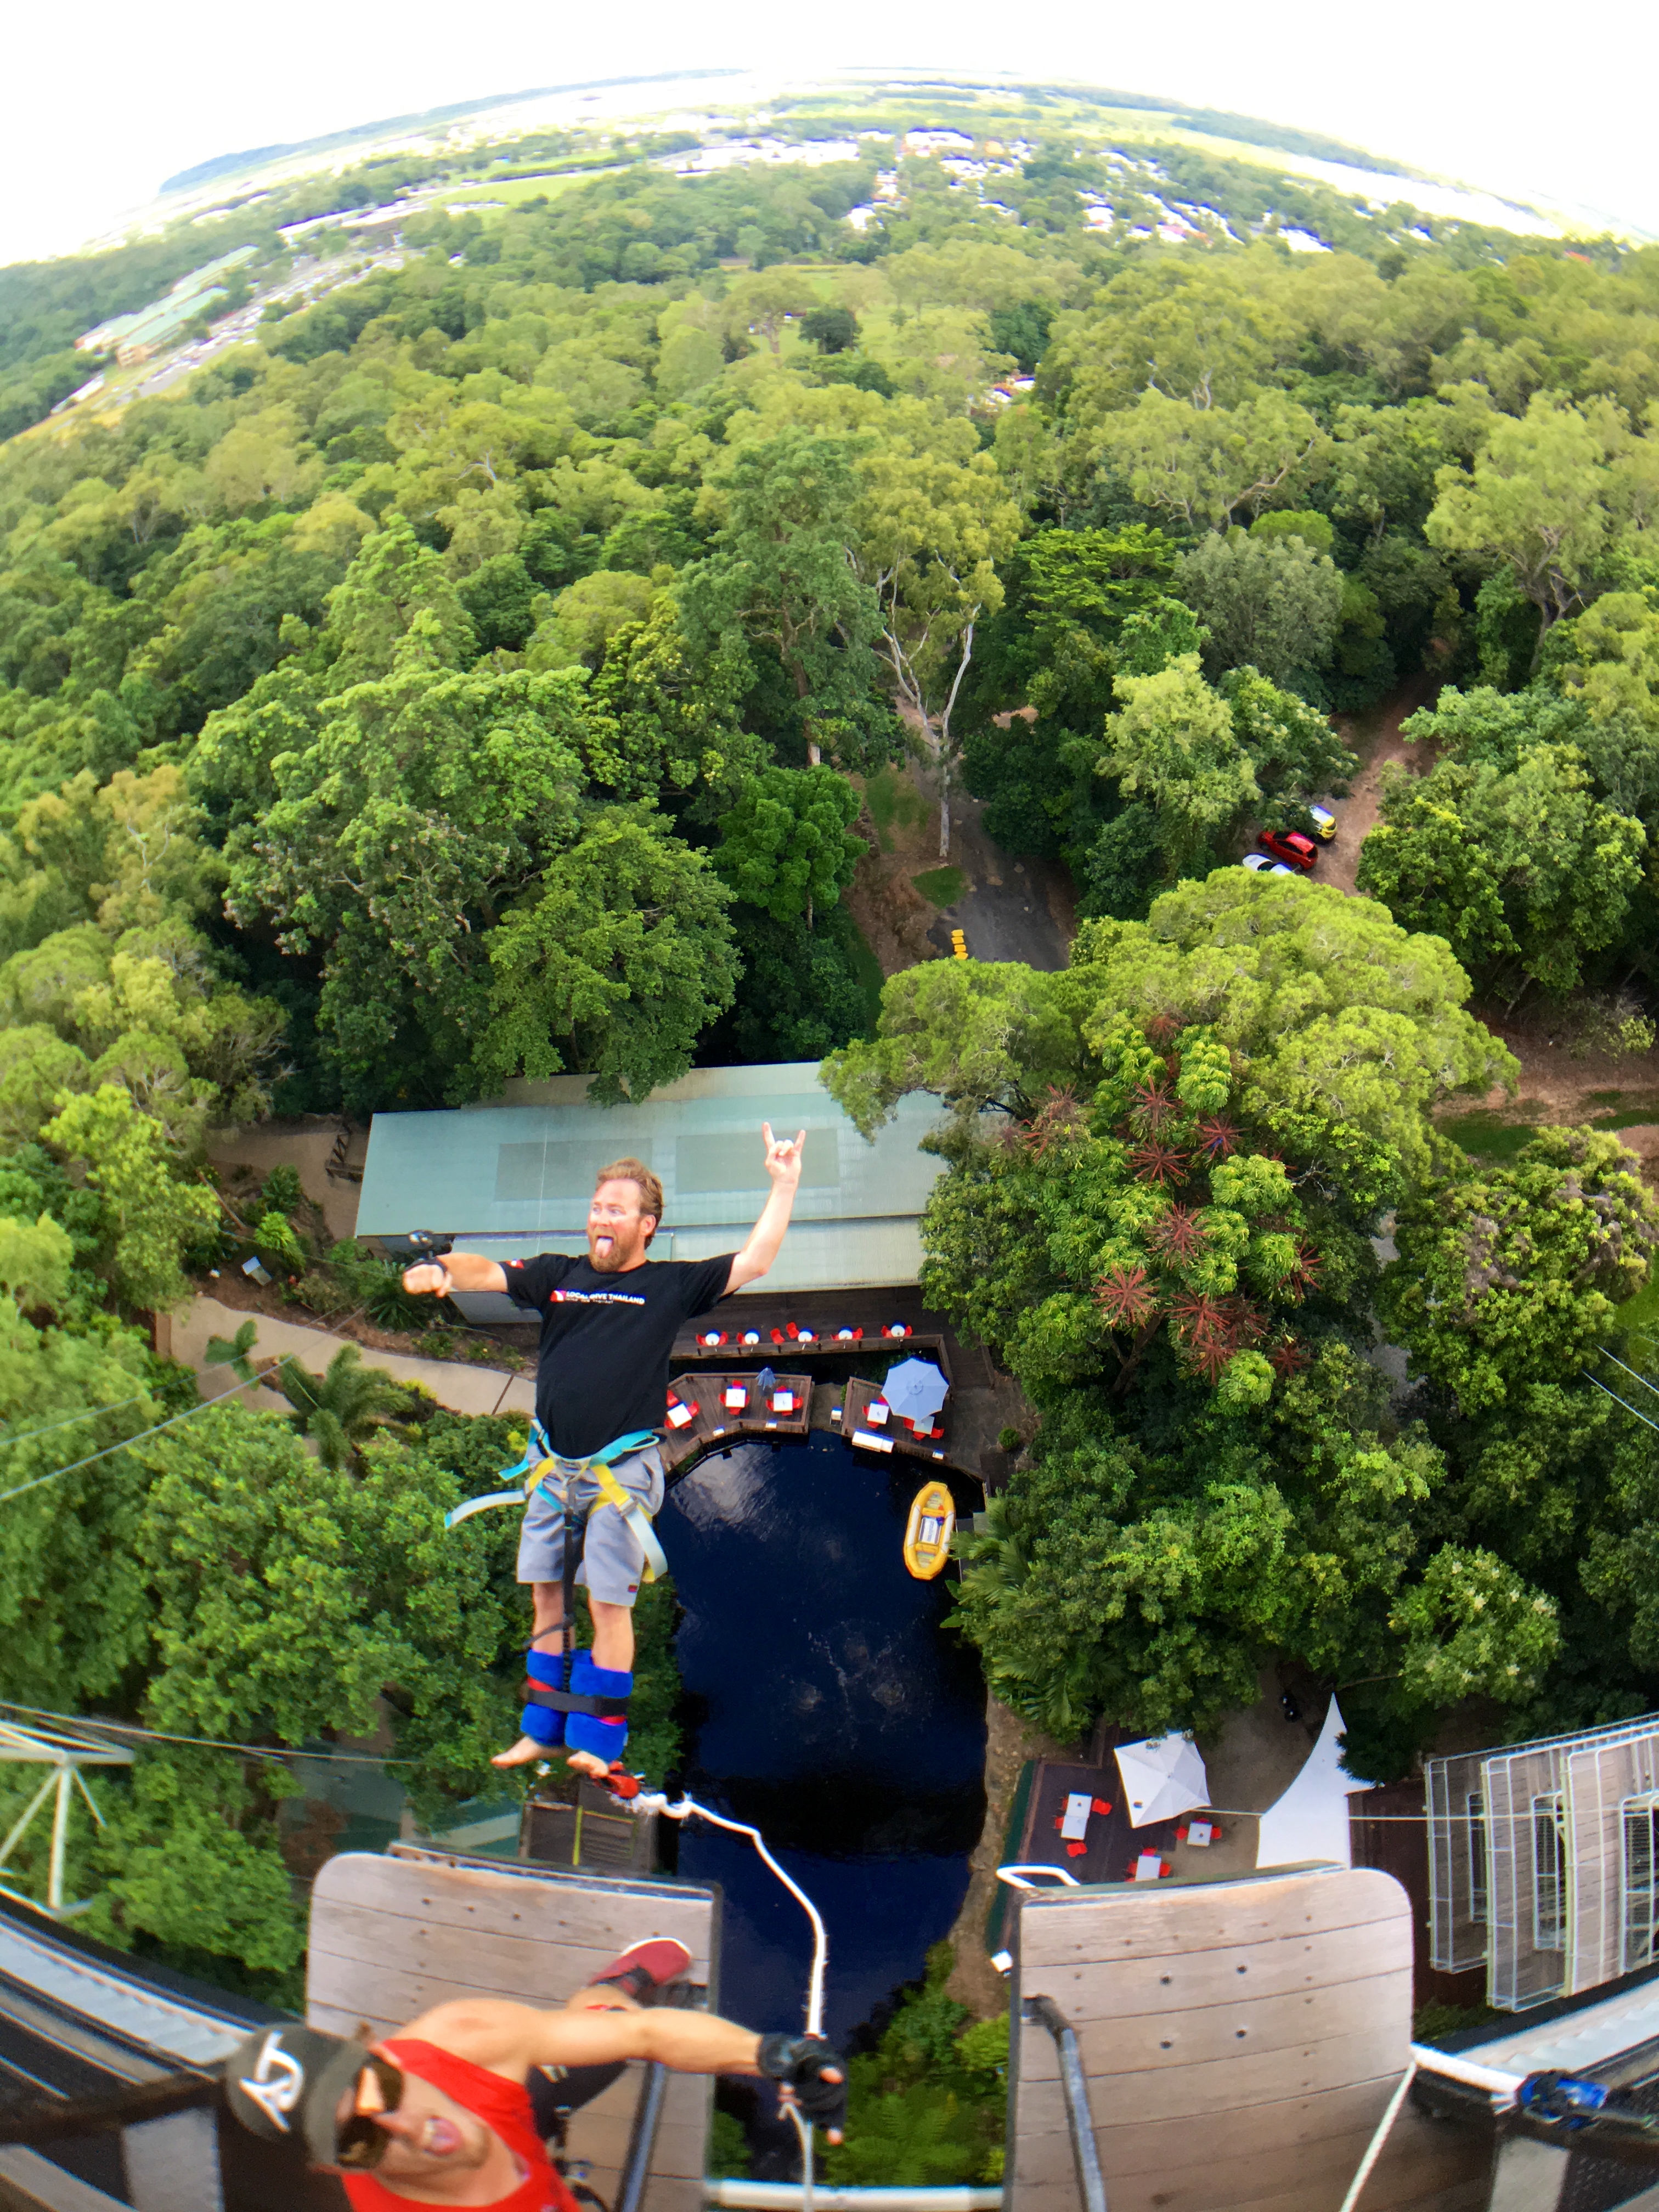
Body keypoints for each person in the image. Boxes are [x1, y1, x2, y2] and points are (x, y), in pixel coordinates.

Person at [402, 1128, 807, 1771]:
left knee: (605, 1604)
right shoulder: (559, 1276)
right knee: (546, 1595)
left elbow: (755, 1260)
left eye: (615, 1210)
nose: (600, 1218)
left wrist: (784, 1182)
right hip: (553, 1468)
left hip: (618, 1471)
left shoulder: (670, 1286)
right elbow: (492, 1272)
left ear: (646, 1225)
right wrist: (444, 1271)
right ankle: (542, 1727)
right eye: (596, 1208)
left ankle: (599, 1745)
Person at [223, 1937, 846, 2209]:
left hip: (501, 2097)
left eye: (378, 2089)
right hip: (518, 2144)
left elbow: (650, 2034)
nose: (408, 2127)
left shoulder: (461, 2039)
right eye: (362, 2139)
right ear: (334, 2168)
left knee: (610, 2031)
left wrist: (775, 2057)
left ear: (381, 2053)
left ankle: (613, 1986)